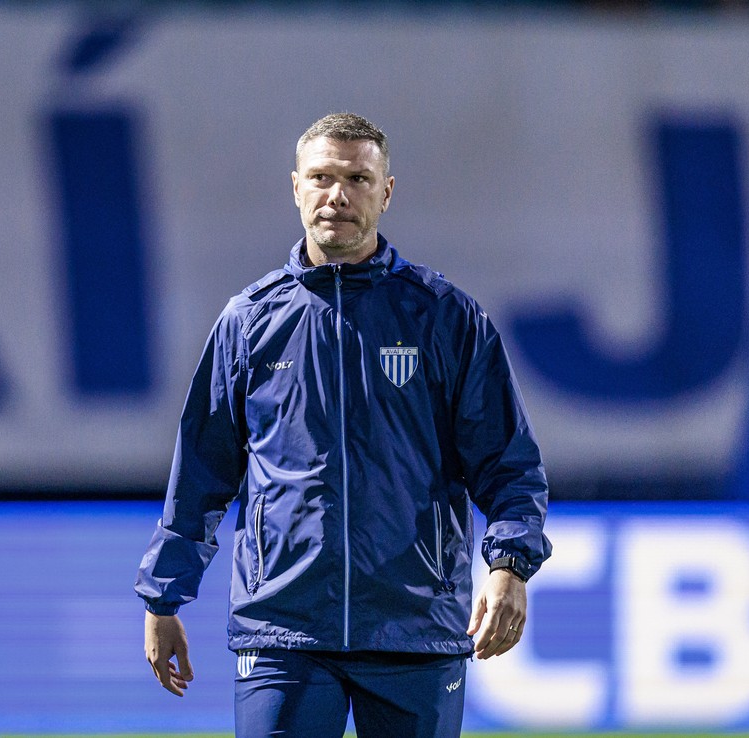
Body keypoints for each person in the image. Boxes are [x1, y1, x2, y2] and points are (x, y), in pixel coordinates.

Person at [135, 112, 551, 738]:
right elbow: (202, 471)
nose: (338, 194)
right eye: (322, 176)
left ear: (386, 192)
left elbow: (508, 464)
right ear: (296, 188)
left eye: (358, 177)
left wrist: (509, 565)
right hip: (284, 629)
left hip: (416, 627)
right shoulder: (247, 322)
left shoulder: (446, 319)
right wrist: (164, 595)